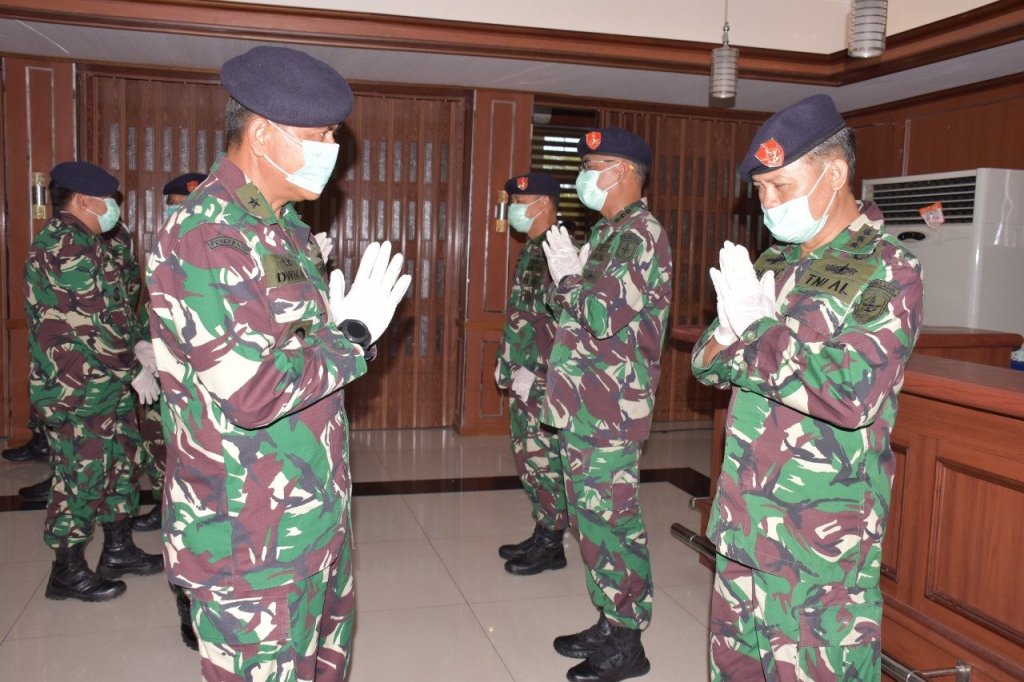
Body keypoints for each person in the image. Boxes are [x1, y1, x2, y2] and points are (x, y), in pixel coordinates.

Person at [146, 45, 410, 681]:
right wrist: (351, 338)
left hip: (311, 514)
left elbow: (299, 352)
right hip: (247, 538)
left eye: (334, 135)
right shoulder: (206, 233)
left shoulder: (284, 227)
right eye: (319, 135)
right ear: (263, 135)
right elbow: (253, 393)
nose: (332, 150)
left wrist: (338, 333)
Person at [690, 94, 924, 681]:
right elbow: (706, 363)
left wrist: (757, 333)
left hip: (819, 541)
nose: (768, 203)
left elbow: (848, 394)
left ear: (835, 174)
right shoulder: (777, 261)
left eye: (781, 186)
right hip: (744, 520)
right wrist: (737, 335)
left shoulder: (888, 268)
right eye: (760, 189)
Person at [541, 127, 673, 682]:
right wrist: (566, 281)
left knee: (615, 522)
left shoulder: (640, 235)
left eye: (592, 167)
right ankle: (610, 618)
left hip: (612, 409)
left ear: (622, 171)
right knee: (591, 521)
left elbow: (600, 315)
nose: (583, 177)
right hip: (584, 403)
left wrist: (570, 280)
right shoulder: (608, 233)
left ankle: (628, 640)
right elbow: (569, 310)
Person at [24, 161, 165, 603]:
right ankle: (66, 571)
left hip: (104, 385)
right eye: (107, 200)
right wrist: (133, 367)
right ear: (84, 200)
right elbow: (92, 325)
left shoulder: (90, 241)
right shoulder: (66, 245)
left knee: (120, 464)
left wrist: (137, 344)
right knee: (80, 478)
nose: (112, 207)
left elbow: (115, 309)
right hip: (76, 390)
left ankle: (118, 550)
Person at [494, 172, 570, 576]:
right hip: (523, 370)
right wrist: (507, 359)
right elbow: (525, 315)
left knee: (543, 458)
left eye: (520, 204)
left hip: (541, 377)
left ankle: (552, 543)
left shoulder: (558, 249)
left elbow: (565, 322)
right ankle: (544, 529)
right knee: (528, 457)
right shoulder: (532, 249)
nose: (514, 211)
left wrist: (536, 369)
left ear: (543, 204)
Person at [131, 171, 208, 534]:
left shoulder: (222, 247)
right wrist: (140, 344)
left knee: (201, 449)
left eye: (187, 205)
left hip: (205, 372)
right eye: (175, 205)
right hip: (164, 364)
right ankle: (166, 505)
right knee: (158, 438)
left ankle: (198, 516)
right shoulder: (166, 247)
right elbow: (150, 305)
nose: (181, 212)